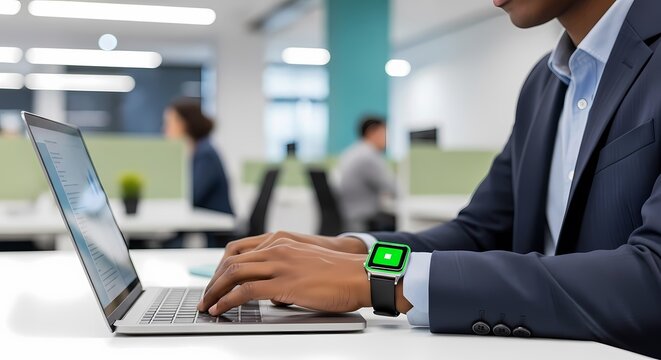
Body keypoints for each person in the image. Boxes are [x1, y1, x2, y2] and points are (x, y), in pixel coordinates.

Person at [197, 0, 661, 357]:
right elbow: (479, 232)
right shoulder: (543, 83)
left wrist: (380, 280)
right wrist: (355, 250)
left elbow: (651, 279)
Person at [163, 99, 234, 246]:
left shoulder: (205, 154)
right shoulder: (198, 150)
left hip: (216, 233)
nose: (164, 129)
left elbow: (193, 195)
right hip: (206, 226)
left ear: (184, 124)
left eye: (169, 123)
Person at [337, 116, 397, 232]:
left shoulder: (350, 152)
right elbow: (393, 188)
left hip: (347, 214)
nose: (386, 139)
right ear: (372, 132)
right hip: (361, 218)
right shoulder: (368, 156)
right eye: (384, 133)